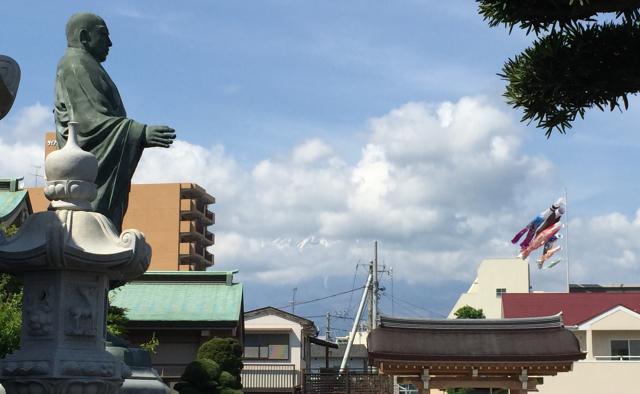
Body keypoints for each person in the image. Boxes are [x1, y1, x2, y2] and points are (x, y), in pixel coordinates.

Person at [54, 13, 175, 231]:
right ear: (84, 37)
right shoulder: (75, 65)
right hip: (86, 171)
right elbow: (87, 123)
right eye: (103, 35)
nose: (110, 43)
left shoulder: (86, 65)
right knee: (92, 233)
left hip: (96, 165)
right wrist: (140, 132)